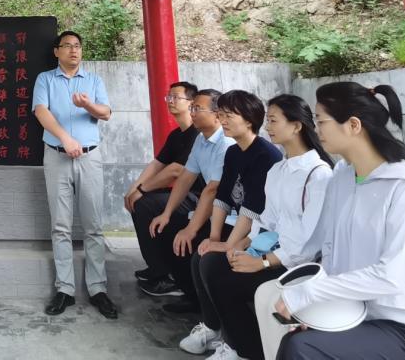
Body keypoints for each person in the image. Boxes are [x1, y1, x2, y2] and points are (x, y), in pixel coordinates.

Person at [267, 82, 405, 360]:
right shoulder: (342, 179)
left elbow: (393, 277)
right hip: (373, 319)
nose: (316, 130)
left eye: (321, 121)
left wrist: (310, 293)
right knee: (300, 339)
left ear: (353, 125)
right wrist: (321, 308)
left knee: (302, 348)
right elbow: (331, 254)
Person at [183, 94, 330, 360]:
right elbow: (264, 220)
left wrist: (262, 262)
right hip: (270, 249)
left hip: (295, 263)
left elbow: (308, 244)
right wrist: (241, 245)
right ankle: (236, 344)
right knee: (213, 261)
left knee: (223, 277)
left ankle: (244, 350)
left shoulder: (318, 174)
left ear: (296, 126)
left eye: (273, 120)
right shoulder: (279, 170)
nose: (268, 127)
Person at [32, 30, 118, 320]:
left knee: (93, 226)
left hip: (90, 157)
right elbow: (41, 112)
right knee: (60, 226)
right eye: (67, 45)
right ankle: (65, 289)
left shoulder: (93, 80)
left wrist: (87, 105)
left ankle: (98, 289)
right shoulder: (45, 79)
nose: (73, 50)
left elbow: (105, 112)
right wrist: (65, 138)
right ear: (56, 51)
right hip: (56, 156)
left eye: (78, 45)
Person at [149, 89, 234, 315]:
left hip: (230, 216)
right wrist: (167, 213)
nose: (192, 112)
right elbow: (186, 177)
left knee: (191, 241)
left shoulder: (225, 143)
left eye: (197, 108)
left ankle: (209, 311)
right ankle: (191, 296)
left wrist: (190, 229)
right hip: (211, 209)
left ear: (217, 115)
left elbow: (212, 189)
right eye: (192, 107)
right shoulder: (200, 139)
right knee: (165, 229)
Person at [127, 80, 202, 296]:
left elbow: (176, 170)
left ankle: (165, 276)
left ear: (191, 103)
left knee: (144, 203)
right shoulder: (176, 134)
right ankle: (157, 266)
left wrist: (142, 191)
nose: (170, 101)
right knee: (137, 201)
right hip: (183, 194)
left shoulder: (197, 134)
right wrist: (133, 189)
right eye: (168, 97)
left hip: (198, 197)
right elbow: (157, 164)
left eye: (175, 97)